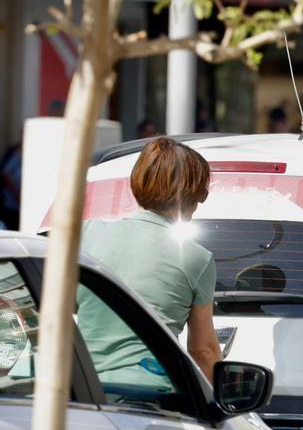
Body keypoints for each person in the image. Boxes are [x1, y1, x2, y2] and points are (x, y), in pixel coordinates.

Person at [78, 137, 222, 383]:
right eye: (201, 195)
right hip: (150, 397)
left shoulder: (86, 234)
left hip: (83, 390)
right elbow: (203, 351)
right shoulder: (197, 258)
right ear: (191, 196)